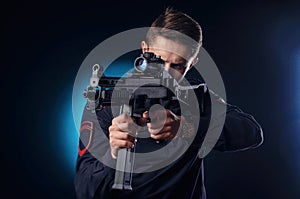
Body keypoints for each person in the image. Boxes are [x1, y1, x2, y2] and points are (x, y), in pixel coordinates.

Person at [74, 7, 263, 199]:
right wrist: (112, 155)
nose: (165, 73)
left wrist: (186, 128)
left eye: (178, 66)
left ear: (192, 63)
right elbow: (85, 190)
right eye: (159, 61)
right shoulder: (108, 102)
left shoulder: (195, 97)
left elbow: (252, 133)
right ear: (145, 50)